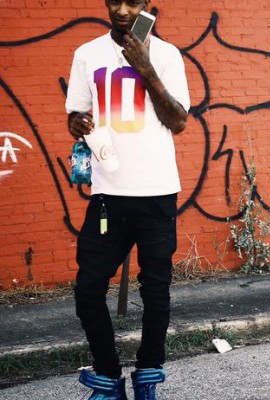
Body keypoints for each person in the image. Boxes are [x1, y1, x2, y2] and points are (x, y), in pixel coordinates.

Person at [65, 0, 190, 398]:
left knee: (155, 289)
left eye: (132, 2)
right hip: (107, 195)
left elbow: (178, 121)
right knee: (88, 288)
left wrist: (145, 67)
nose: (121, 10)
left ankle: (148, 375)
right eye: (114, 0)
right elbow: (74, 115)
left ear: (147, 5)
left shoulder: (167, 56)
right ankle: (108, 377)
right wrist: (77, 122)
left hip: (156, 193)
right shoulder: (87, 54)